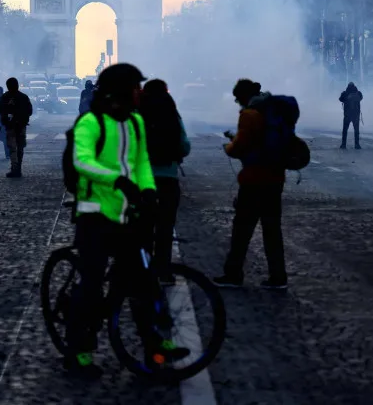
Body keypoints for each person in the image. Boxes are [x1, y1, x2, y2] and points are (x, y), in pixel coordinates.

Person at [65, 63, 188, 379]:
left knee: (143, 283)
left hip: (128, 215)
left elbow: (142, 161)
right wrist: (118, 181)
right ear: (120, 91)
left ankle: (155, 343)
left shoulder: (135, 123)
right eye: (135, 87)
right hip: (94, 214)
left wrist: (147, 190)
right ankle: (78, 350)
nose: (140, 92)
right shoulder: (90, 123)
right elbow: (82, 161)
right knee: (91, 286)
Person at [214, 79, 288, 290]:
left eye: (238, 99)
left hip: (254, 181)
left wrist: (229, 146)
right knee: (272, 230)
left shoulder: (249, 115)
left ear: (243, 97)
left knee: (242, 230)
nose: (238, 103)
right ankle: (278, 276)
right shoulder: (271, 110)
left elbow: (240, 147)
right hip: (275, 179)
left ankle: (233, 273)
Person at [137, 79, 190, 284]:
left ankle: (143, 272)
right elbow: (184, 145)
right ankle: (164, 272)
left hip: (142, 181)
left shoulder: (137, 113)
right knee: (165, 229)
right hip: (168, 180)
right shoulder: (171, 113)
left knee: (143, 229)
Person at [0, 77, 33, 178]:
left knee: (12, 148)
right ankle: (18, 168)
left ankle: (14, 168)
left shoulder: (5, 97)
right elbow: (30, 111)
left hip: (10, 126)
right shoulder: (23, 97)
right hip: (21, 125)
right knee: (20, 147)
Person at [339, 82, 362, 149]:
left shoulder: (345, 93)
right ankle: (357, 145)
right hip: (356, 115)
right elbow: (361, 98)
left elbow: (340, 99)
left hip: (347, 115)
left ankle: (343, 145)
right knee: (356, 131)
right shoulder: (358, 93)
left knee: (345, 130)